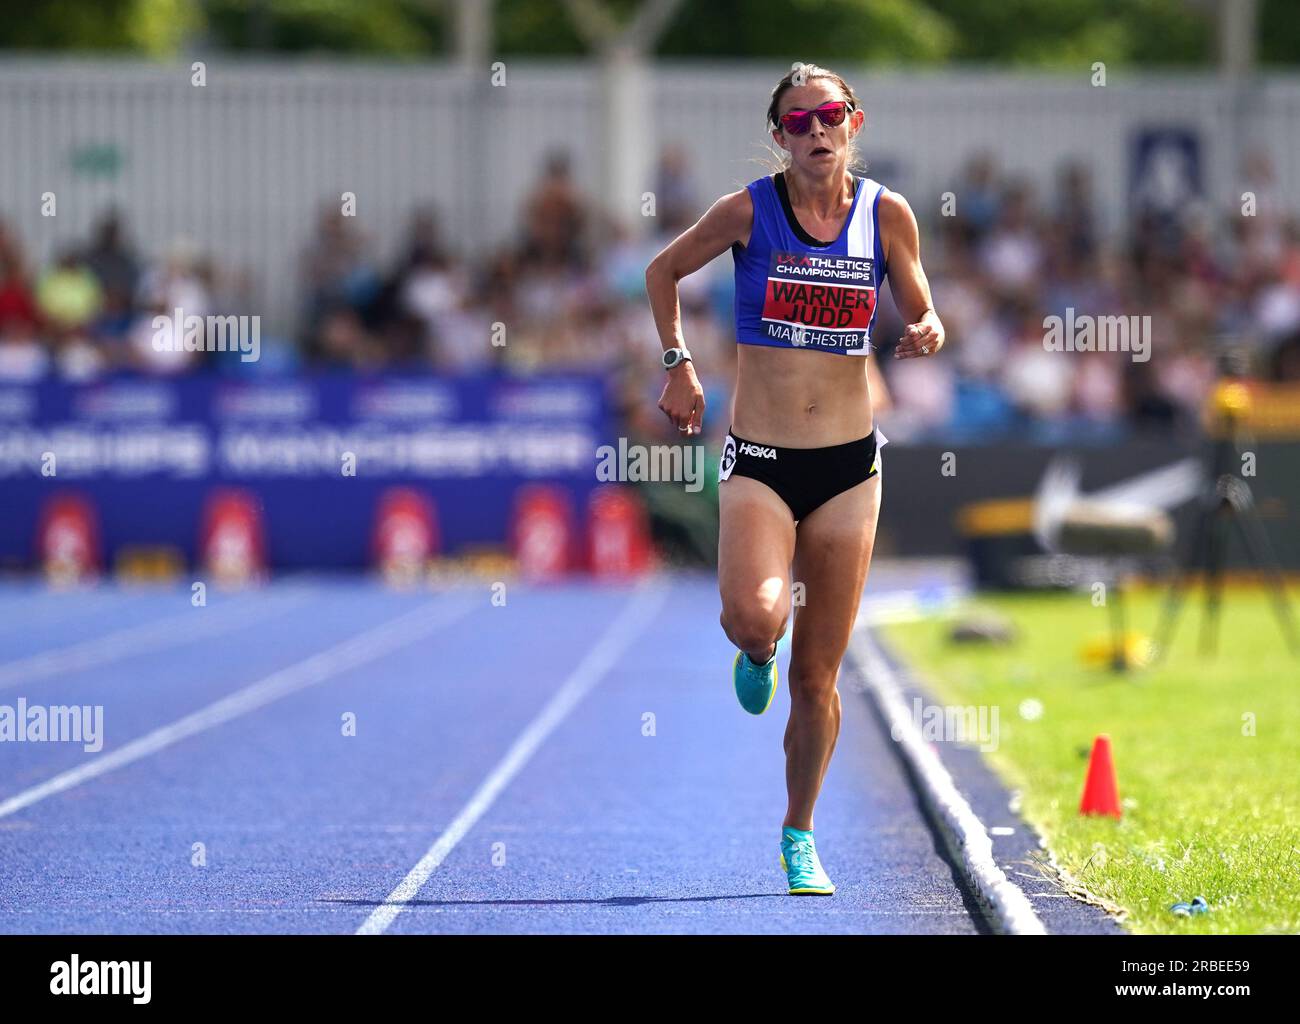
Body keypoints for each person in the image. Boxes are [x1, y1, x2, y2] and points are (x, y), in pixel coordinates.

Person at [644, 64, 945, 895]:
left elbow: (922, 306)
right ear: (780, 135)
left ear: (855, 122)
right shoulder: (749, 210)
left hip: (851, 469)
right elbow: (661, 271)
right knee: (753, 619)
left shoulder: (887, 214)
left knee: (818, 677)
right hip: (764, 462)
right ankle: (755, 646)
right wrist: (678, 363)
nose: (817, 130)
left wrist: (926, 328)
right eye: (799, 119)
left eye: (831, 115)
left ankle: (800, 833)